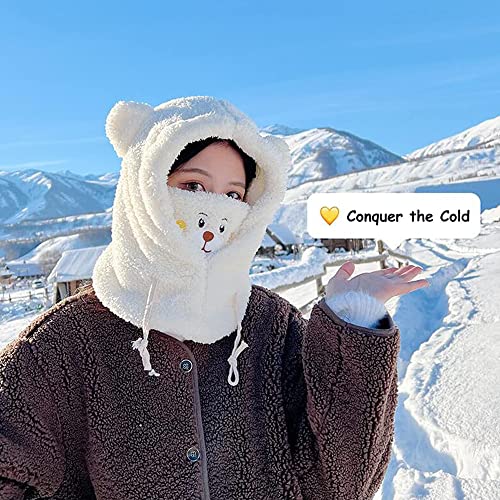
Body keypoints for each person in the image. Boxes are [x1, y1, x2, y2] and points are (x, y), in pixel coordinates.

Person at [0, 96, 428, 499]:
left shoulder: (271, 327)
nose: (216, 213)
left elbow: (344, 483)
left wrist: (355, 322)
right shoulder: (64, 344)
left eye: (233, 195)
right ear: (144, 186)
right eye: (193, 186)